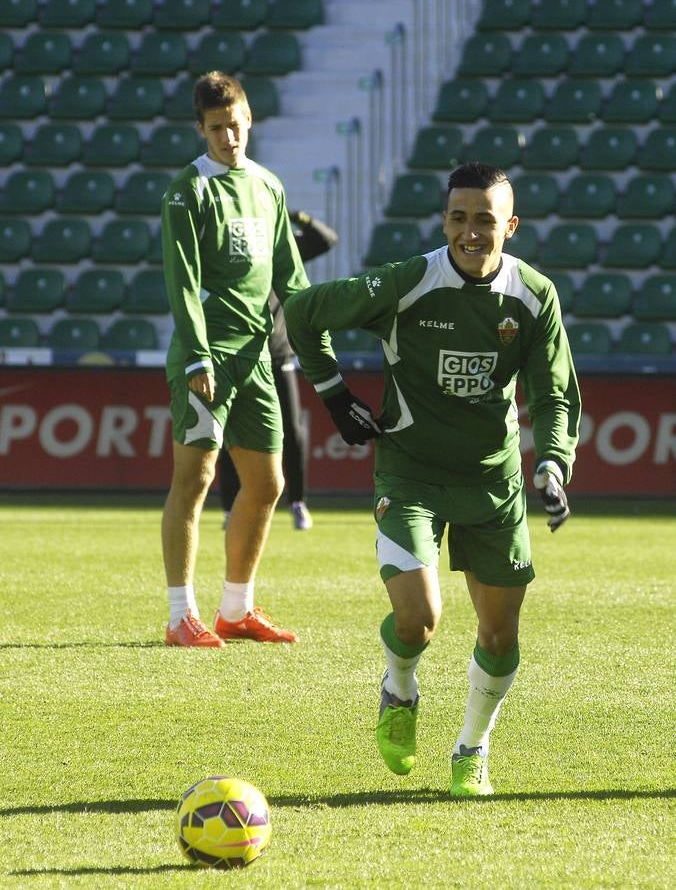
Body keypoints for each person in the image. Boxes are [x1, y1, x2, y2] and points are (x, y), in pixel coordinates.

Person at [284, 162, 581, 796]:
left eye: (484, 219)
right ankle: (399, 686)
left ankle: (473, 747)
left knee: (500, 635)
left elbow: (554, 392)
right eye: (458, 218)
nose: (470, 232)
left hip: (493, 482)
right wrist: (335, 396)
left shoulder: (534, 297)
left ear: (511, 225)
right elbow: (305, 311)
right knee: (419, 619)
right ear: (445, 220)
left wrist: (553, 461)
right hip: (410, 471)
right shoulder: (409, 281)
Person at [161, 71, 316, 648]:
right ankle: (181, 615)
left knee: (269, 483)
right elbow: (182, 284)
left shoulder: (269, 187)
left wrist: (316, 335)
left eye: (236, 125)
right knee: (196, 477)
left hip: (256, 359)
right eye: (216, 128)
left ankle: (236, 608)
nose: (229, 136)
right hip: (206, 359)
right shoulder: (187, 191)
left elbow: (292, 280)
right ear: (201, 129)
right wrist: (198, 355)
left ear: (250, 121)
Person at [218, 210, 338, 531]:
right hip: (240, 355)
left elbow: (326, 239)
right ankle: (230, 509)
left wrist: (297, 216)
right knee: (233, 434)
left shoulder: (282, 249)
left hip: (277, 355)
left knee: (293, 432)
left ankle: (298, 503)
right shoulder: (235, 252)